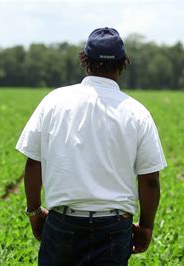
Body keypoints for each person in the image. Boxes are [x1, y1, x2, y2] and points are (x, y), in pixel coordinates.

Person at [16, 27, 167, 265]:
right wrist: (146, 227)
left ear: (85, 60)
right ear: (122, 63)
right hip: (114, 228)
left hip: (62, 223)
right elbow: (150, 180)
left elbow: (34, 162)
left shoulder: (54, 101)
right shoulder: (137, 112)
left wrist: (35, 213)